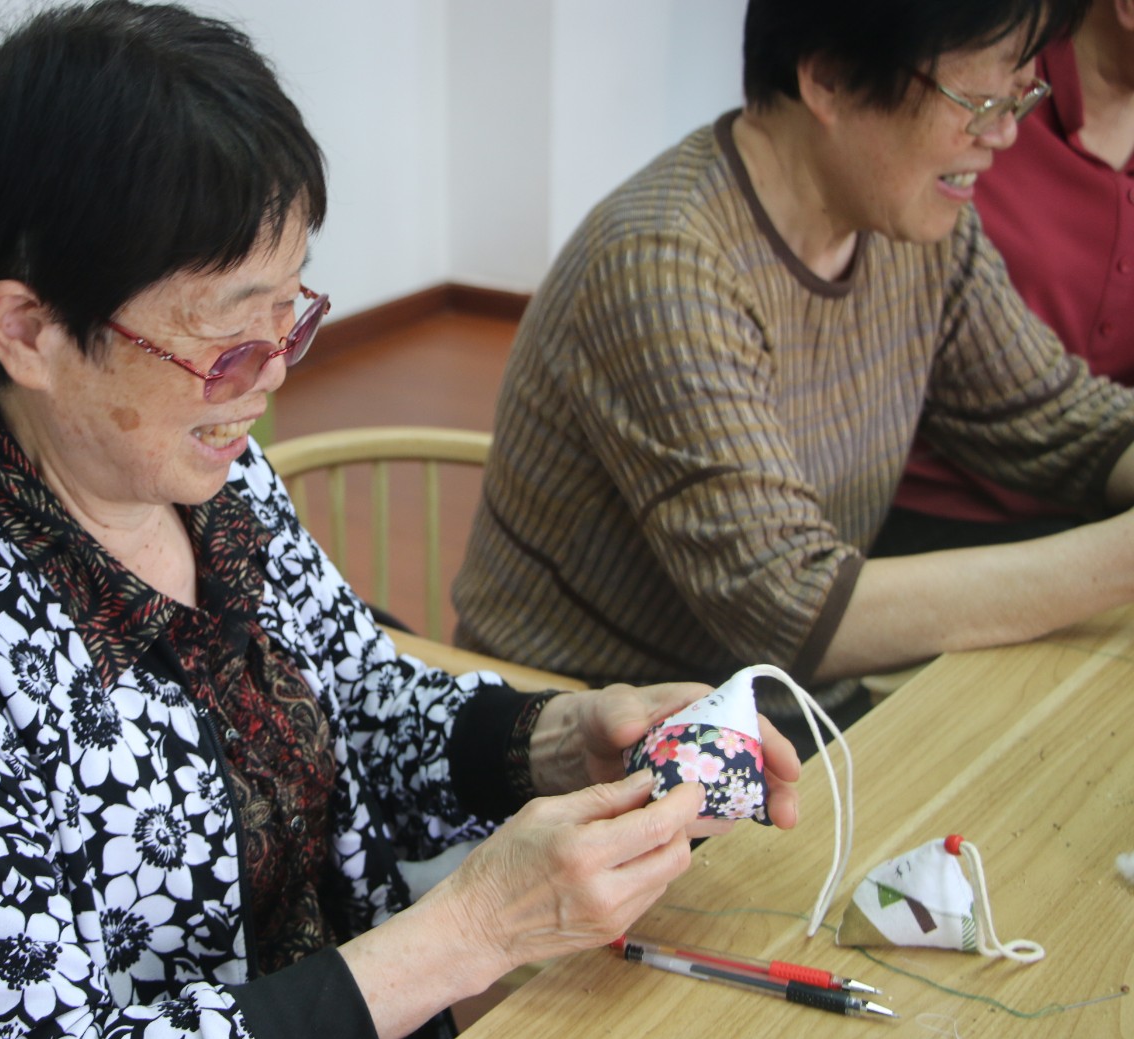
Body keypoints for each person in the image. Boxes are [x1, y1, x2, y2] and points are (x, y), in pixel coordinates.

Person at [0, 4, 802, 1039]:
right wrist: (472, 932)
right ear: (29, 332)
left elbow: (360, 703)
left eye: (288, 313)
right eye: (228, 336)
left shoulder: (213, 484)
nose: (270, 376)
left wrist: (562, 739)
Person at [454, 0, 1134, 723]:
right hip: (593, 729)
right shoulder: (663, 259)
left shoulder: (914, 231)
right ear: (830, 79)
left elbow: (1058, 417)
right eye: (979, 101)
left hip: (779, 705)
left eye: (1019, 96)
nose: (1004, 133)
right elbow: (788, 606)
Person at [882, 0, 1134, 554]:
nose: (1001, 131)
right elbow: (791, 587)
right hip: (934, 517)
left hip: (1096, 497)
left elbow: (1056, 408)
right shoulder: (982, 99)